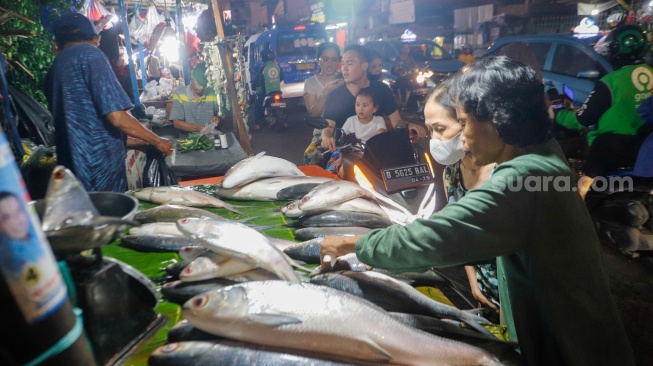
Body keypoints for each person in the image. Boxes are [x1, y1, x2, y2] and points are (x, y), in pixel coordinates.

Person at [319, 56, 635, 365]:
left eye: (467, 122)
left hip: (569, 348)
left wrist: (353, 244)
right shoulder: (544, 154)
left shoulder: (522, 179)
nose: (464, 137)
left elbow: (437, 238)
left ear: (497, 120)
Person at [45, 12, 173, 193]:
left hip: (71, 171)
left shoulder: (56, 67)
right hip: (99, 172)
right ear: (95, 38)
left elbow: (85, 129)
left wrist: (142, 143)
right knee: (109, 217)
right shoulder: (91, 56)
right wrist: (157, 141)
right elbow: (116, 118)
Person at [426, 80, 498, 319]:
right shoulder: (451, 174)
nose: (434, 139)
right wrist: (474, 283)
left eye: (440, 128)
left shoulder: (502, 172)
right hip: (483, 292)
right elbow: (461, 233)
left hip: (519, 292)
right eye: (429, 130)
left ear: (465, 122)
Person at [554, 25, 653, 198]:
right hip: (644, 148)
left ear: (617, 49)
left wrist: (557, 113)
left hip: (612, 150)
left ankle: (578, 202)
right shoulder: (650, 73)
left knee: (562, 148)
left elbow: (580, 121)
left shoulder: (611, 82)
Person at [321, 45, 425, 153]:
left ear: (364, 66)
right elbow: (328, 128)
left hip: (377, 151)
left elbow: (396, 121)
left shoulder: (382, 90)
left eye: (350, 63)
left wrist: (409, 126)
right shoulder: (335, 95)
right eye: (342, 63)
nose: (344, 68)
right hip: (346, 153)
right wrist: (327, 138)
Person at [326, 88, 386, 177]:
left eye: (365, 105)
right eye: (357, 105)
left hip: (370, 155)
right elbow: (343, 140)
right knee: (341, 170)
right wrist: (341, 158)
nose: (360, 108)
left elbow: (380, 137)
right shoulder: (350, 120)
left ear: (375, 108)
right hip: (350, 153)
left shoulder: (378, 120)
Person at [302, 42, 344, 165]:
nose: (330, 63)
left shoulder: (345, 78)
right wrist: (325, 93)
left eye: (334, 59)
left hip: (347, 130)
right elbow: (314, 113)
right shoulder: (310, 83)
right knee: (310, 157)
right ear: (318, 61)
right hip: (322, 135)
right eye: (325, 59)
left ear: (338, 61)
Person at [169, 62, 224, 137]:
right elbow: (176, 123)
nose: (201, 88)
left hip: (210, 138)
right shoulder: (180, 94)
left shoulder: (213, 93)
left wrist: (217, 119)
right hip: (187, 141)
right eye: (198, 83)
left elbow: (222, 117)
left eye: (204, 85)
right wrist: (196, 128)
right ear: (192, 77)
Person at [252, 49, 284, 130]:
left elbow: (258, 80)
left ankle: (257, 124)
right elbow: (281, 77)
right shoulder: (277, 66)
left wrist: (254, 85)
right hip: (277, 91)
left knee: (258, 106)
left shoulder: (263, 68)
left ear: (263, 58)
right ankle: (285, 122)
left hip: (266, 93)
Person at [392, 43, 417, 108]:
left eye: (407, 48)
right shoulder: (398, 58)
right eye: (404, 48)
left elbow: (415, 66)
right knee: (402, 84)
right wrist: (398, 70)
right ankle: (403, 101)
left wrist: (417, 69)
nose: (406, 50)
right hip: (402, 78)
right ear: (401, 49)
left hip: (410, 77)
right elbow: (396, 68)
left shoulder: (410, 58)